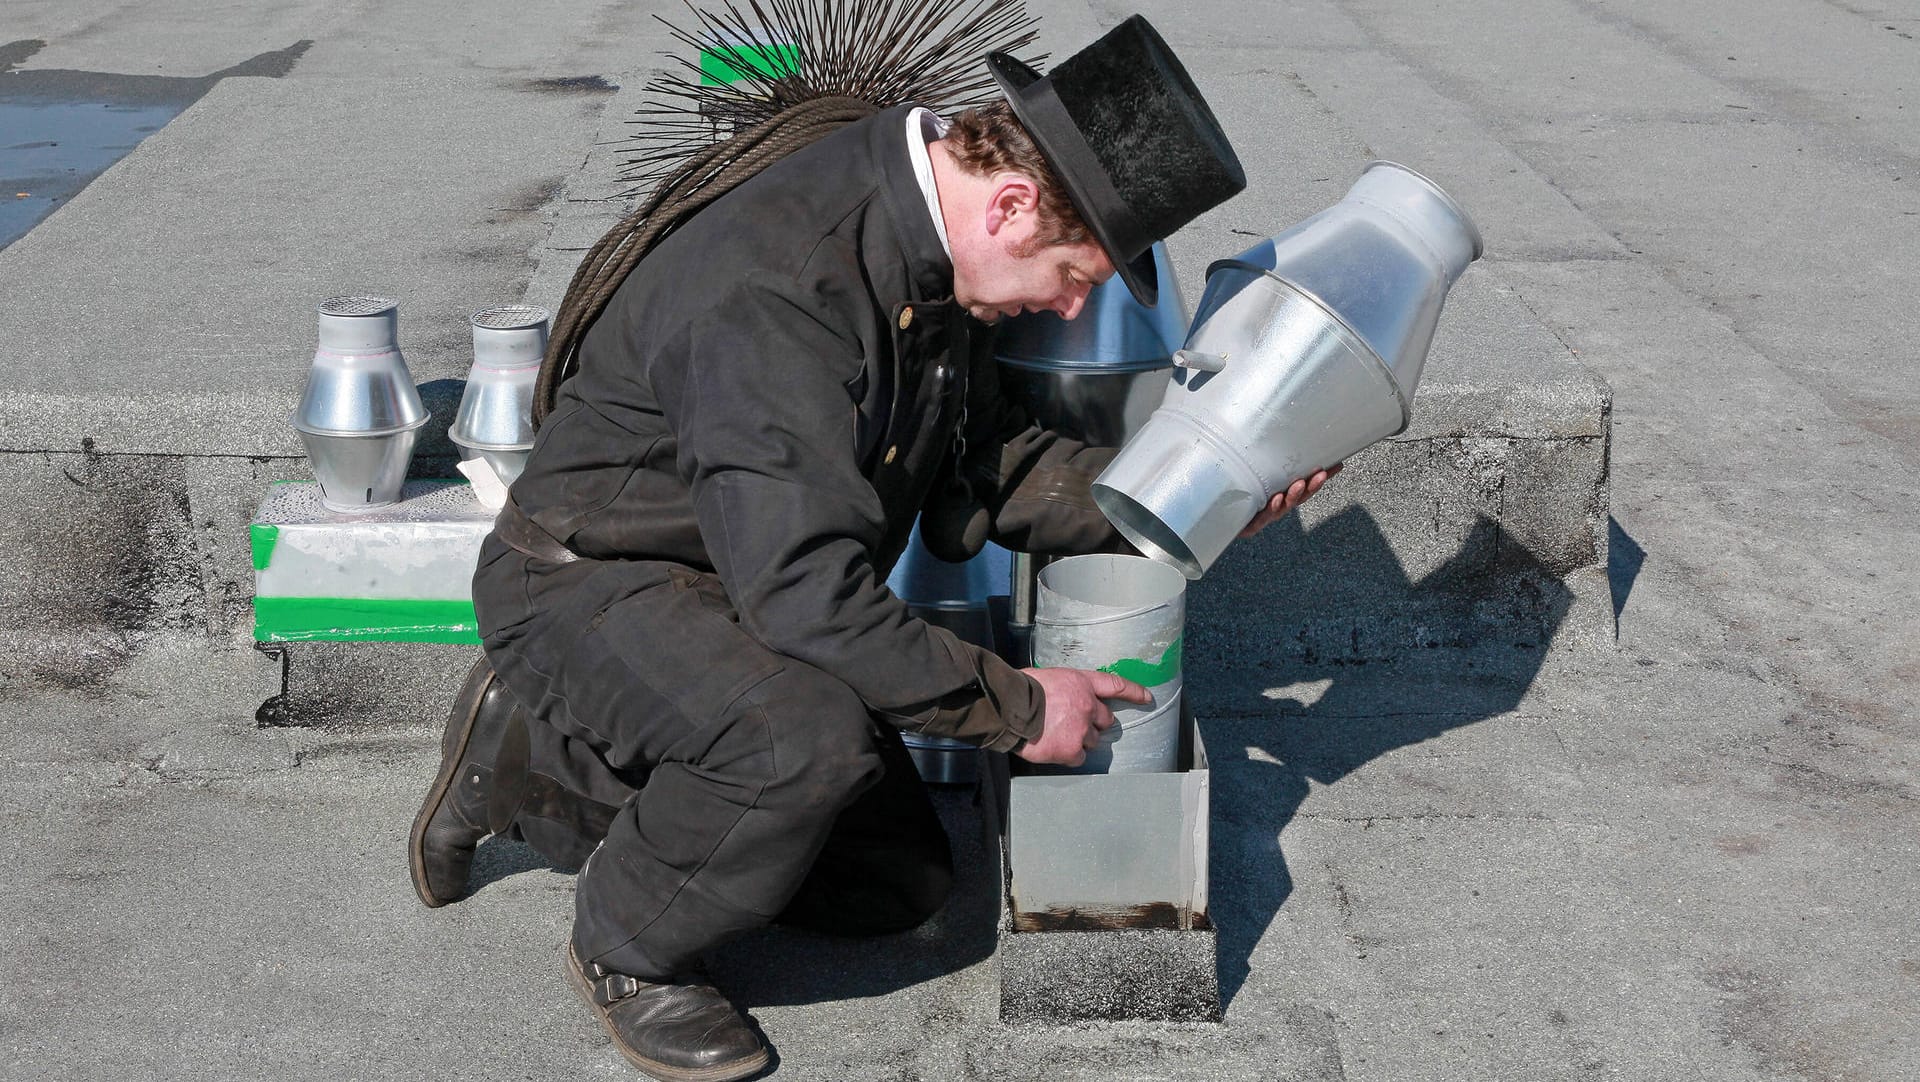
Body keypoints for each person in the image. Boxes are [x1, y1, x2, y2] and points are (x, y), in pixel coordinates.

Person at [409, 16, 1335, 1082]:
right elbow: (805, 596)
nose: (1072, 304)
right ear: (1015, 201)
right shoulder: (788, 289)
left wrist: (1200, 499)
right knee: (801, 748)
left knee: (894, 881)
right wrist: (1025, 706)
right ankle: (627, 943)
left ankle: (542, 760)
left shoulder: (923, 242)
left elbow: (987, 463)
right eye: (1080, 272)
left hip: (728, 582)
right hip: (590, 582)